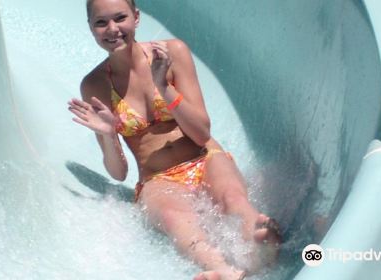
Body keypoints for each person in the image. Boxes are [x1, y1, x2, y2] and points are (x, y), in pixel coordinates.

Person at [68, 0, 281, 279]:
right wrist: (108, 135)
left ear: (136, 17)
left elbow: (201, 133)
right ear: (90, 28)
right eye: (101, 22)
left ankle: (262, 242)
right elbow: (118, 173)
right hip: (158, 179)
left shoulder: (172, 53)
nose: (112, 29)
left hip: (203, 155)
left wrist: (163, 87)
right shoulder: (94, 84)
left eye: (120, 18)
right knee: (175, 219)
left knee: (232, 197)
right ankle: (222, 270)